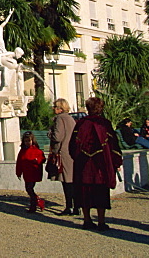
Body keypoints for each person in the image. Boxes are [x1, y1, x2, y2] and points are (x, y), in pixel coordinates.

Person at [70, 96, 123, 231]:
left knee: (84, 191)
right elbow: (113, 145)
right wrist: (115, 162)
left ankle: (87, 220)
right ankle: (101, 221)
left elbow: (72, 146)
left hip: (84, 164)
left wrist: (78, 158)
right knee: (100, 192)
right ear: (100, 108)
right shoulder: (104, 124)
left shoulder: (81, 123)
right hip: (101, 164)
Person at [49, 97, 78, 215]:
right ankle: (76, 206)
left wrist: (50, 134)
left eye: (55, 107)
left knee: (66, 181)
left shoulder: (59, 119)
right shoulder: (71, 119)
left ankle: (69, 206)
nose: (53, 109)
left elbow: (57, 137)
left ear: (60, 109)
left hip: (63, 152)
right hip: (71, 152)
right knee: (72, 180)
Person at [16, 131, 46, 213]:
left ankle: (33, 206)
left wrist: (36, 161)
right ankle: (38, 201)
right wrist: (18, 172)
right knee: (29, 189)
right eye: (25, 141)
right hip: (26, 173)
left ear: (32, 141)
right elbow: (19, 162)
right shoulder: (22, 151)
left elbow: (42, 159)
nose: (27, 143)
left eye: (28, 141)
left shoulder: (37, 151)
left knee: (29, 188)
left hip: (33, 172)